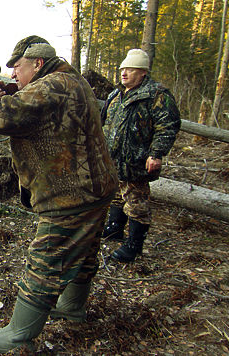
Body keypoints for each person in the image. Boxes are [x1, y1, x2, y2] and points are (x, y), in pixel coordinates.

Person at [0, 36, 119, 354]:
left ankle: (18, 335)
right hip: (95, 187)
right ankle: (71, 309)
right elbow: (30, 112)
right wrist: (3, 96)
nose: (13, 74)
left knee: (46, 260)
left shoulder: (52, 85)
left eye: (18, 67)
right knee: (84, 253)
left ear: (38, 64)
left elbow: (7, 116)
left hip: (72, 193)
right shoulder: (71, 80)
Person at [101, 49, 181, 263]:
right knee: (117, 195)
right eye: (123, 69)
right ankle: (114, 229)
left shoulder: (157, 95)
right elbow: (104, 124)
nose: (124, 73)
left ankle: (134, 246)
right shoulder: (115, 94)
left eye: (131, 69)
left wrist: (156, 154)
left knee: (136, 203)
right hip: (113, 159)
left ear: (143, 72)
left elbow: (167, 126)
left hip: (137, 161)